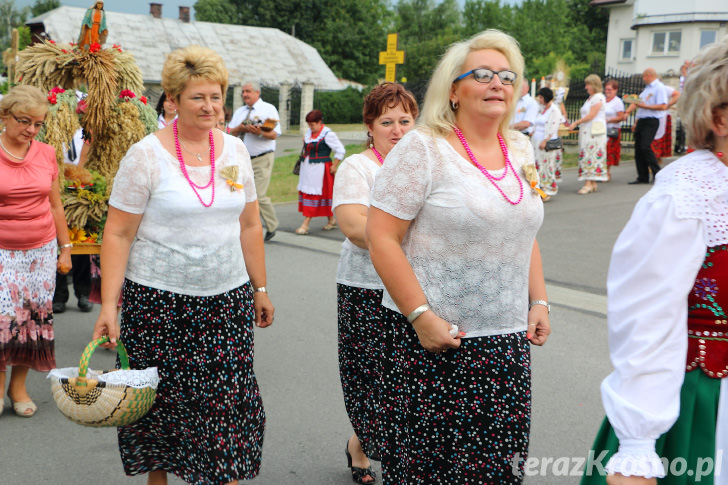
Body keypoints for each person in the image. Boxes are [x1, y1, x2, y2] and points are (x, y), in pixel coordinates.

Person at [366, 29, 550, 484]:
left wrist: (539, 300)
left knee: (494, 471)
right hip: (435, 342)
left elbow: (520, 227)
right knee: (429, 471)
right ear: (453, 90)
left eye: (507, 76)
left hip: (504, 345)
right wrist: (421, 316)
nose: (498, 84)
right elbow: (381, 237)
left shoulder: (521, 149)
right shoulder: (422, 148)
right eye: (483, 74)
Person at [91, 45, 274, 484]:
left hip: (225, 300)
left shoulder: (234, 152)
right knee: (162, 404)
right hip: (157, 302)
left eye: (216, 96)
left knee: (227, 401)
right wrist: (109, 305)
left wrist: (260, 288)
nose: (210, 106)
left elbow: (250, 224)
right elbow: (117, 233)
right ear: (172, 100)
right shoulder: (145, 156)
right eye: (198, 97)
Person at [581, 37, 728, 485]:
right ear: (720, 116)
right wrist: (638, 445)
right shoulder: (690, 192)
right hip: (699, 404)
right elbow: (646, 313)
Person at [332, 82, 419, 484]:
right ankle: (362, 445)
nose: (398, 130)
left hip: (415, 289)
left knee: (406, 378)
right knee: (370, 377)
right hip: (366, 287)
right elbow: (352, 226)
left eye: (405, 120)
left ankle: (386, 450)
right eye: (388, 121)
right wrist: (394, 241)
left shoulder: (424, 165)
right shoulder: (359, 167)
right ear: (370, 125)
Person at [0, 85, 73, 417]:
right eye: (23, 120)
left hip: (40, 252)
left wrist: (65, 249)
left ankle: (18, 387)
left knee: (30, 318)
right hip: (3, 250)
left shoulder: (45, 153)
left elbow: (55, 205)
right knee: (3, 320)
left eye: (37, 123)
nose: (30, 129)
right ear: (5, 116)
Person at [229, 81, 281, 242]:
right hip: (242, 159)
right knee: (237, 192)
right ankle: (243, 227)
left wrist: (259, 132)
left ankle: (272, 225)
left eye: (248, 91)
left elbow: (274, 134)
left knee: (257, 194)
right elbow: (230, 132)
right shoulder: (240, 111)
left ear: (257, 93)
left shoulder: (268, 109)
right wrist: (241, 128)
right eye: (243, 92)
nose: (245, 94)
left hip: (262, 157)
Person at [53, 126, 93, 314]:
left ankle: (83, 293)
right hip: (57, 186)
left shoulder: (85, 132)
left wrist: (80, 178)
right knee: (58, 242)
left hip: (80, 187)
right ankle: (59, 296)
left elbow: (88, 158)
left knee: (80, 243)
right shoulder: (54, 128)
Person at [295, 110, 345, 235]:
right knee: (322, 194)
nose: (310, 127)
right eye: (309, 125)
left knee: (316, 194)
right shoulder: (309, 133)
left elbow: (340, 150)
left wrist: (334, 165)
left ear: (319, 122)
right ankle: (331, 220)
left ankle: (305, 224)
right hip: (308, 169)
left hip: (321, 169)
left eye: (312, 124)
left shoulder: (328, 134)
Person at [625, 67, 668, 184]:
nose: (643, 79)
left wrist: (646, 107)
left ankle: (657, 173)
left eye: (644, 76)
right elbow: (639, 103)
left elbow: (663, 106)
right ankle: (642, 176)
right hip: (642, 120)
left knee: (645, 146)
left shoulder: (659, 88)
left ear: (649, 76)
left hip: (651, 120)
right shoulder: (647, 89)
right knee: (638, 149)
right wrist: (634, 118)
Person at [567, 74, 608, 194]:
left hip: (594, 131)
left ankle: (588, 183)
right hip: (587, 130)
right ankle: (592, 182)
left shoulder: (598, 98)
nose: (586, 87)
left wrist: (576, 123)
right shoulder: (590, 98)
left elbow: (591, 115)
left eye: (588, 85)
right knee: (587, 153)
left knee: (591, 154)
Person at [531, 86, 562, 199]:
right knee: (537, 166)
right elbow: (536, 122)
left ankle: (548, 191)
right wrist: (532, 131)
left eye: (540, 97)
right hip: (536, 140)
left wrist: (545, 140)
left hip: (546, 142)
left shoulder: (554, 110)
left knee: (546, 166)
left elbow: (553, 126)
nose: (539, 99)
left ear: (545, 98)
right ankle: (539, 190)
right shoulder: (541, 109)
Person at [650, 84, 680, 165]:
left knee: (659, 137)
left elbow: (677, 94)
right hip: (651, 116)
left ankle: (657, 158)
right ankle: (653, 159)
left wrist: (668, 104)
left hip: (663, 116)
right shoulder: (649, 90)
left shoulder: (665, 89)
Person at [604, 79, 626, 181]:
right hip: (602, 128)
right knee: (602, 150)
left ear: (615, 90)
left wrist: (609, 120)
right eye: (606, 89)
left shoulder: (617, 102)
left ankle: (607, 172)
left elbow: (621, 117)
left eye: (610, 89)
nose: (607, 91)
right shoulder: (603, 100)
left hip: (612, 129)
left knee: (609, 151)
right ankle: (602, 171)